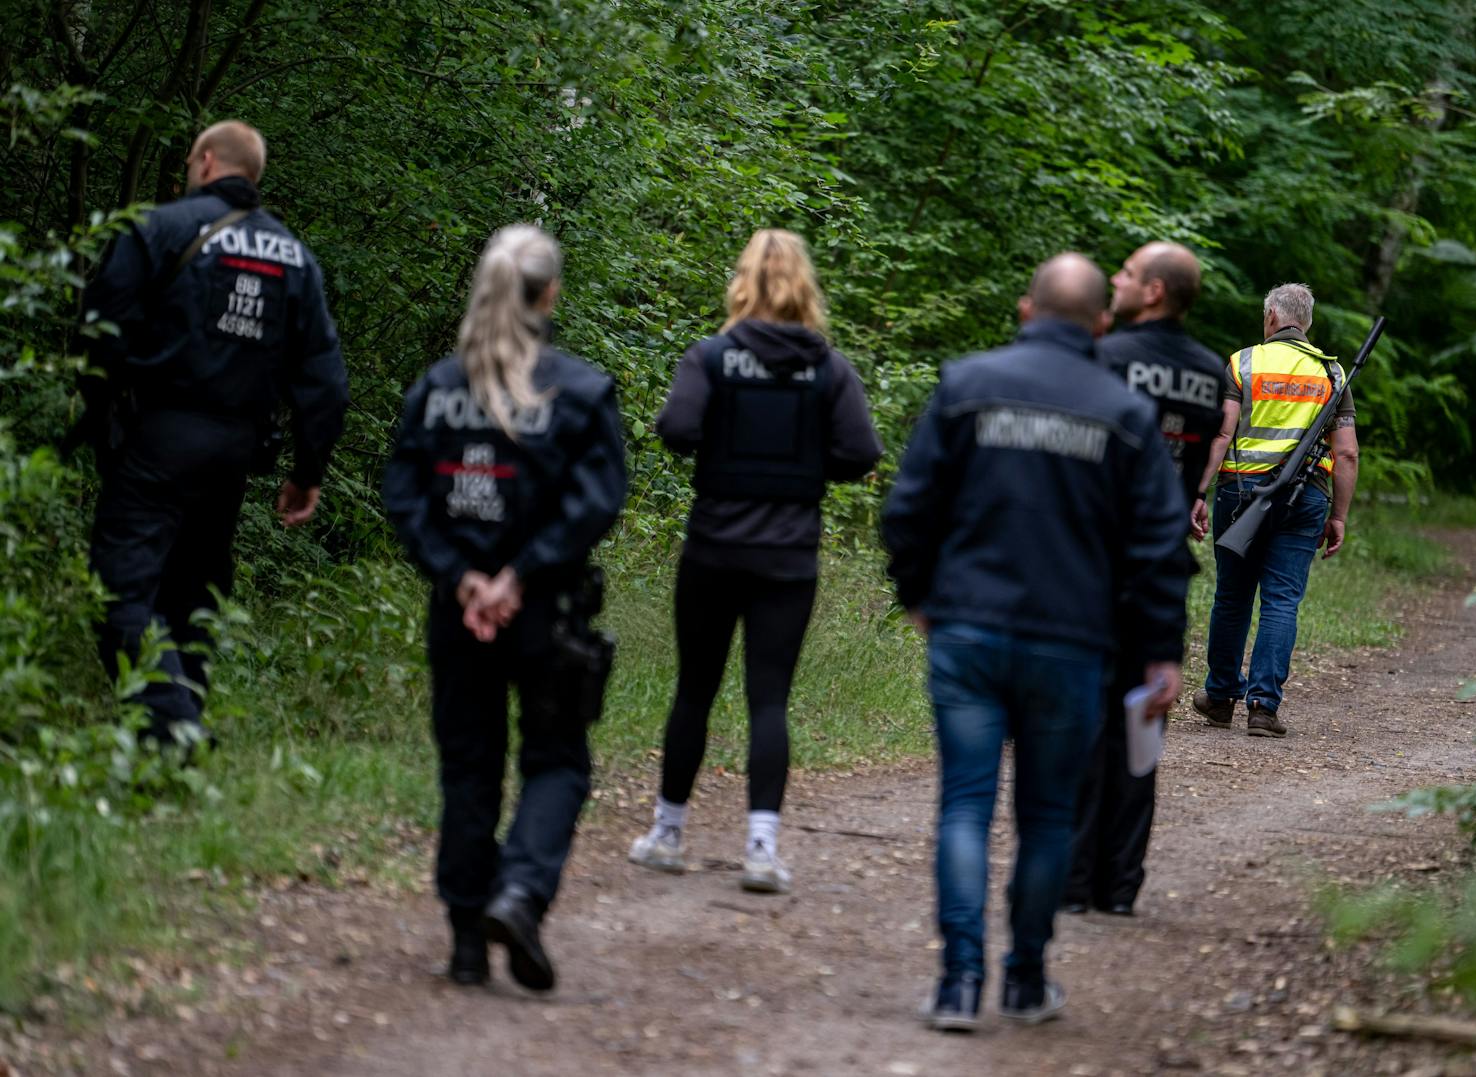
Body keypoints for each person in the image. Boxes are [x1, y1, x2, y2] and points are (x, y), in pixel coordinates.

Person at [882, 253, 1191, 1032]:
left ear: (1026, 311)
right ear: (1100, 323)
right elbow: (1159, 545)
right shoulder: (1123, 414)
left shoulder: (966, 385)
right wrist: (1161, 652)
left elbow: (909, 506)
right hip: (1072, 641)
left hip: (970, 632)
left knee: (964, 804)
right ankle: (1023, 980)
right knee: (1047, 816)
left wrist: (919, 596)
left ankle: (957, 982)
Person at [382, 224, 627, 991]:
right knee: (556, 759)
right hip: (545, 611)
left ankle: (464, 936)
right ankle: (519, 893)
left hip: (460, 614)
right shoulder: (581, 393)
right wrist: (516, 577)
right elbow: (595, 502)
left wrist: (462, 578)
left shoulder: (437, 390)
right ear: (550, 293)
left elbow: (403, 494)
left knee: (469, 765)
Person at [627, 229, 882, 894]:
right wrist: (802, 465)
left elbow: (676, 431)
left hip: (713, 545)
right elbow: (861, 453)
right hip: (789, 555)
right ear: (804, 285)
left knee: (694, 690)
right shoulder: (827, 367)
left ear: (742, 280)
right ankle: (761, 847)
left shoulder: (711, 356)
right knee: (769, 697)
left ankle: (668, 833)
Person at [80, 120, 348, 746]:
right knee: (191, 594)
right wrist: (307, 471)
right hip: (233, 452)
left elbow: (98, 332)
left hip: (155, 435)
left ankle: (173, 730)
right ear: (251, 174)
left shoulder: (155, 228)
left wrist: (106, 423)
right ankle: (175, 748)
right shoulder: (295, 258)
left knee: (121, 587)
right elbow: (325, 381)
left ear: (204, 162)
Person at [1064, 242, 1224, 918]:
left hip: (1092, 564)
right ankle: (1120, 884)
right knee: (1141, 726)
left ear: (1153, 291)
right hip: (1162, 570)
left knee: (1081, 723)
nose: (1118, 283)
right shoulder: (1212, 373)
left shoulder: (1105, 360)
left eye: (1127, 275)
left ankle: (1071, 882)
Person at [1189, 283, 1360, 738]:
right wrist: (1339, 515)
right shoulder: (1333, 373)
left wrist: (1198, 491)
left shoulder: (1243, 362)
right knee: (1282, 600)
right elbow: (1347, 454)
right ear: (1306, 322)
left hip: (1240, 494)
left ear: (1270, 317)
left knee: (1232, 596)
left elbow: (1222, 435)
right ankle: (1263, 708)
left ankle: (1221, 696)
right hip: (1306, 500)